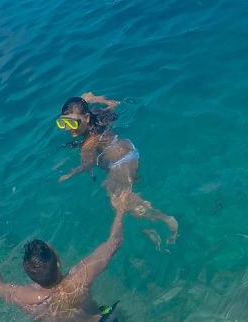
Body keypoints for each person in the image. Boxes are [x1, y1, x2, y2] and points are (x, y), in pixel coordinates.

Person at [0, 194, 128, 322]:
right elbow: (114, 242)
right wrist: (120, 210)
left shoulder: (24, 297)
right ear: (58, 263)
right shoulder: (79, 277)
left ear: (30, 274)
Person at [57, 93, 179, 245]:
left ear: (87, 118)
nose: (68, 128)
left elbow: (87, 164)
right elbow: (114, 104)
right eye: (63, 123)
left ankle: (166, 219)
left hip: (120, 164)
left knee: (120, 202)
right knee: (126, 195)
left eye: (72, 123)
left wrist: (70, 174)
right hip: (128, 149)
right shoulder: (100, 117)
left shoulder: (89, 143)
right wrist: (93, 99)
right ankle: (159, 218)